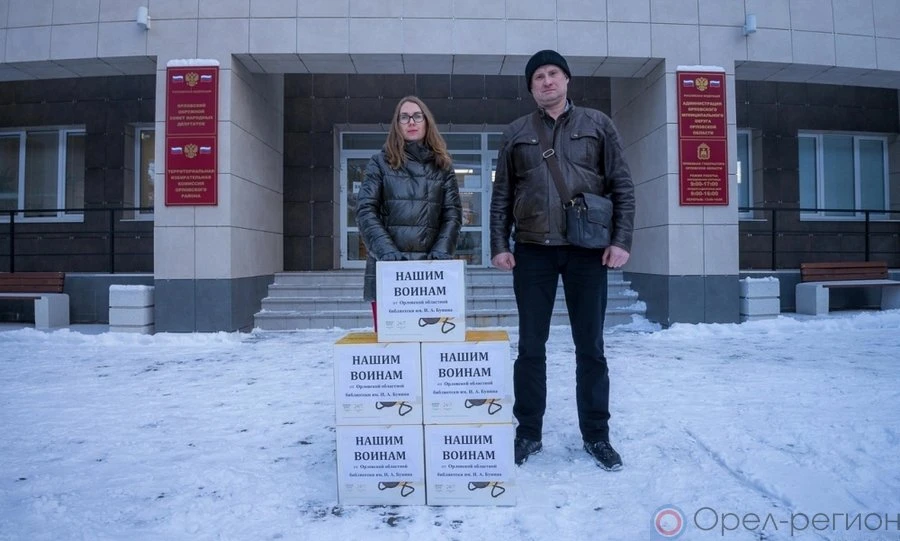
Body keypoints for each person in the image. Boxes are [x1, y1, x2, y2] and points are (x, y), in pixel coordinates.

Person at [489, 50, 635, 470]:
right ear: (531, 87)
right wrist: (499, 243)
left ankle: (597, 436)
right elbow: (502, 195)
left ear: (567, 79)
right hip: (532, 250)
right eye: (538, 76)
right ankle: (528, 433)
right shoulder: (516, 132)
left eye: (553, 73)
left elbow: (621, 185)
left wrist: (621, 239)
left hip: (586, 250)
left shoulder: (598, 124)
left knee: (591, 347)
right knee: (530, 347)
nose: (547, 81)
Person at [356, 96, 462, 325]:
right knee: (392, 343)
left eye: (417, 116)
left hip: (432, 275)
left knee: (432, 342)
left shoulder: (443, 166)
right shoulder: (379, 163)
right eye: (404, 117)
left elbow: (452, 214)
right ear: (397, 124)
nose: (411, 122)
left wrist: (442, 250)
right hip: (388, 270)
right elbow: (365, 210)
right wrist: (386, 252)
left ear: (426, 122)